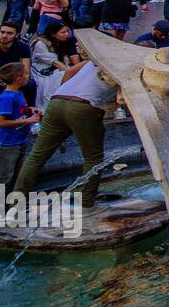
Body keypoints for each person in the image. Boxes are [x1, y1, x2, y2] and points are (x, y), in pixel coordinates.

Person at [11, 58, 110, 209]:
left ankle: (16, 203)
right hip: (84, 106)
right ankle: (87, 201)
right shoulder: (127, 67)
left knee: (36, 156)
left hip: (57, 100)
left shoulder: (95, 58)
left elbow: (69, 71)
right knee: (93, 157)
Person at [0, 21, 33, 138]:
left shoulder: (22, 47)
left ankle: (30, 117)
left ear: (16, 35)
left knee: (30, 84)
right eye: (2, 32)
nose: (4, 35)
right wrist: (6, 81)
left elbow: (26, 70)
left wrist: (17, 80)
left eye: (9, 33)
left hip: (14, 77)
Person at [0, 61, 38, 194]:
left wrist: (30, 110)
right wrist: (29, 120)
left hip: (20, 140)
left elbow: (19, 111)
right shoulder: (7, 98)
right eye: (26, 74)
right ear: (19, 79)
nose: (28, 76)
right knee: (4, 178)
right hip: (7, 144)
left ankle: (13, 203)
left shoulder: (18, 94)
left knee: (18, 175)